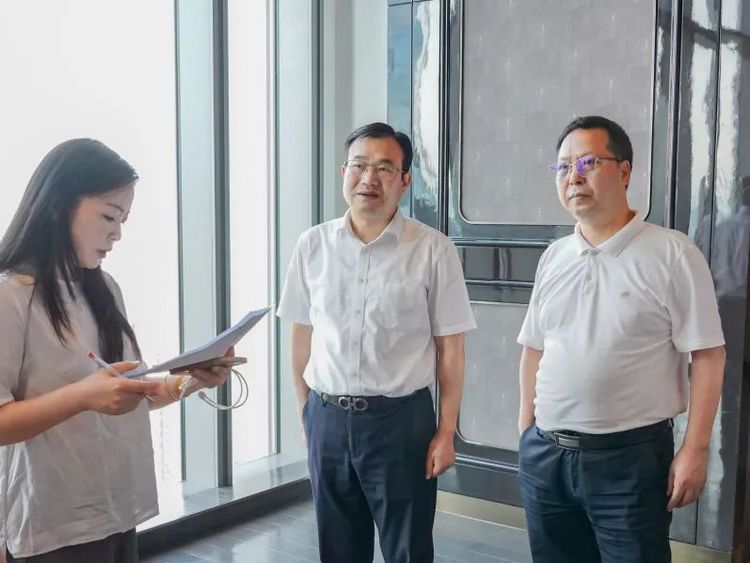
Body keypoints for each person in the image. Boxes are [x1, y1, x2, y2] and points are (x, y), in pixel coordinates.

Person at [0, 139, 235, 562]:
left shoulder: (104, 289)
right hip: (51, 526)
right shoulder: (10, 296)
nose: (117, 233)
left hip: (115, 510)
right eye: (109, 216)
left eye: (123, 219)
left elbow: (125, 395)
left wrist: (191, 381)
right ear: (58, 205)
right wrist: (82, 396)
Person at [517, 116, 726, 563]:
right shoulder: (554, 256)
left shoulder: (672, 253)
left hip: (629, 461)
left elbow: (709, 355)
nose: (574, 176)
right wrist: (526, 431)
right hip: (546, 457)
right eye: (563, 166)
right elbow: (534, 348)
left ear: (625, 171)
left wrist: (695, 449)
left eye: (588, 162)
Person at [277, 122, 476, 562]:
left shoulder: (433, 249)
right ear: (344, 172)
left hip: (400, 422)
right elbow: (300, 333)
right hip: (327, 417)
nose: (369, 178)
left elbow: (451, 347)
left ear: (405, 181)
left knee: (407, 547)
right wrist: (305, 412)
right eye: (360, 165)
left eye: (385, 168)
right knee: (338, 547)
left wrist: (446, 431)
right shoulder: (312, 245)